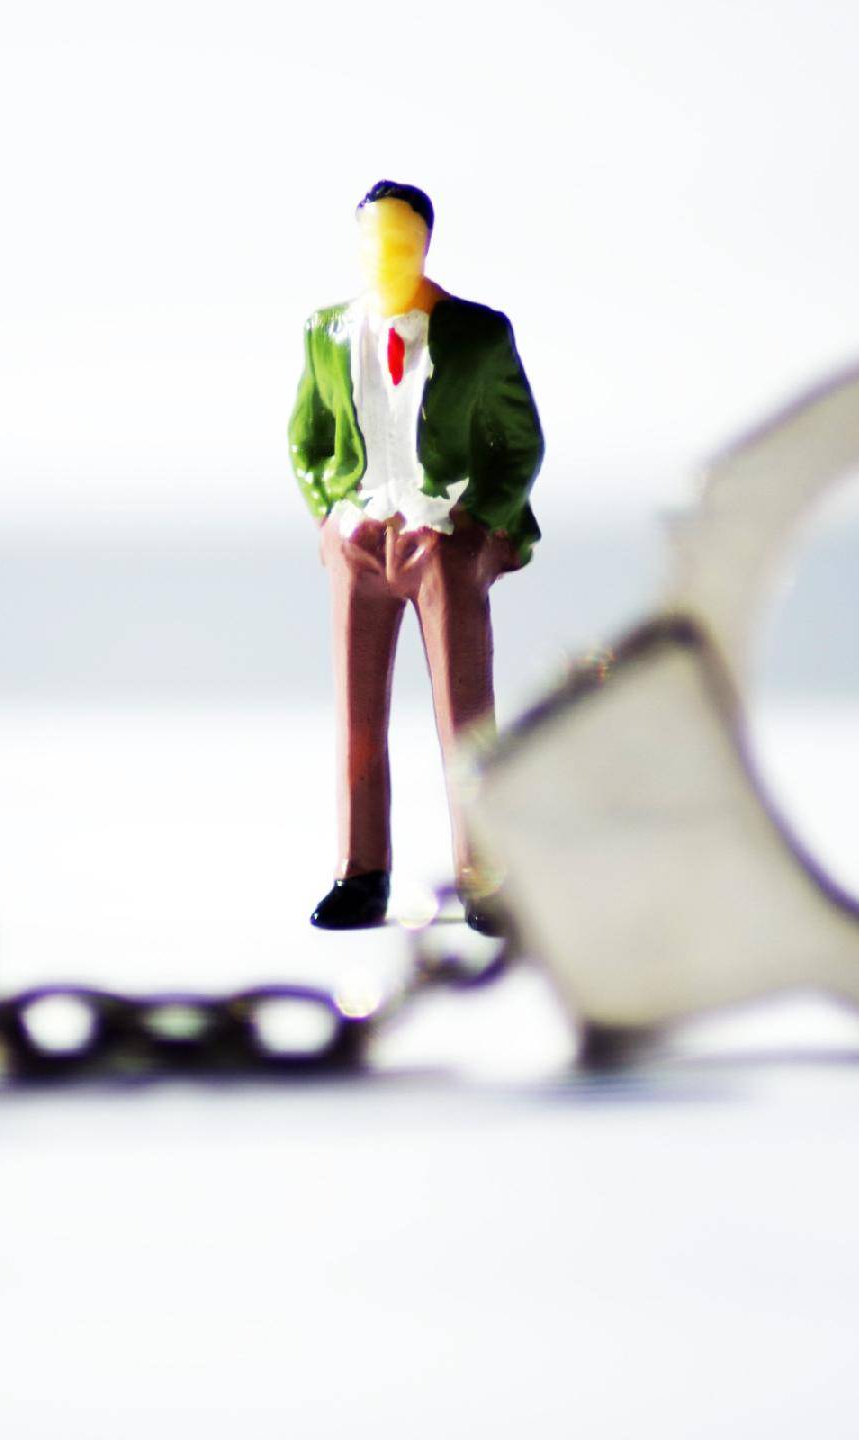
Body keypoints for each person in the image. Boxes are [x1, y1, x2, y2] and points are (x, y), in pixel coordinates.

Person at [288, 180, 544, 934]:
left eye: (400, 239)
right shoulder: (326, 331)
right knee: (357, 715)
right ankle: (360, 872)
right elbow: (307, 437)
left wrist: (476, 525)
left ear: (425, 243)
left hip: (441, 541)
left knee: (465, 717)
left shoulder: (478, 334)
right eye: (373, 238)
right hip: (362, 538)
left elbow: (520, 443)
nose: (385, 253)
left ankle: (482, 873)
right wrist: (331, 515)